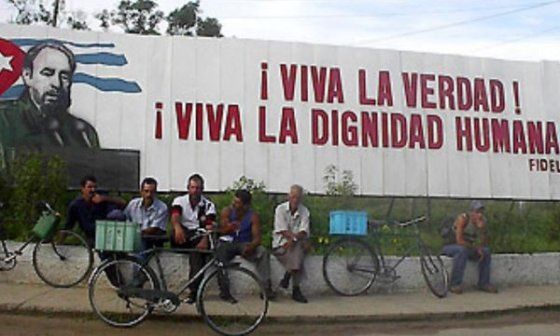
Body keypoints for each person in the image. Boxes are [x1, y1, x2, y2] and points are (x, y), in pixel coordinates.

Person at [0, 42, 99, 154]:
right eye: (47, 73)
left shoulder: (83, 132)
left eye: (64, 76)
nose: (56, 83)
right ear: (27, 76)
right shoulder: (4, 120)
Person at [216, 189, 276, 300]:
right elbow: (221, 230)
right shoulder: (227, 211)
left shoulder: (253, 216)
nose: (234, 204)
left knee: (262, 252)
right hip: (228, 243)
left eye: (237, 203)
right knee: (220, 257)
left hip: (244, 244)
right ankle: (224, 291)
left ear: (245, 205)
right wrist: (229, 227)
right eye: (234, 201)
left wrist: (251, 246)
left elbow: (257, 238)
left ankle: (266, 288)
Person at [170, 173, 216, 304]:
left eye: (198, 188)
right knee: (180, 235)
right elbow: (175, 216)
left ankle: (193, 292)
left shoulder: (208, 205)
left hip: (198, 237)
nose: (195, 191)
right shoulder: (179, 201)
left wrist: (205, 240)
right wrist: (178, 227)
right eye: (192, 187)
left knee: (198, 253)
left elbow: (208, 225)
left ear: (202, 189)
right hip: (181, 236)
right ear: (188, 188)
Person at [442, 200, 497, 294]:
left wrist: (481, 230)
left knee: (486, 251)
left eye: (481, 212)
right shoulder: (463, 218)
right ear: (471, 212)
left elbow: (483, 242)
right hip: (451, 246)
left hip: (468, 248)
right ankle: (455, 284)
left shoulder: (482, 221)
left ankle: (484, 283)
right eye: (477, 212)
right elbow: (459, 240)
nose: (479, 215)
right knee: (461, 250)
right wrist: (475, 248)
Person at [272, 184, 310, 303]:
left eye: (298, 197)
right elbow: (282, 230)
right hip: (281, 246)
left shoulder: (304, 211)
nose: (295, 200)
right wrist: (294, 239)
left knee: (297, 249)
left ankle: (286, 279)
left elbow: (304, 231)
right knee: (298, 251)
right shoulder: (280, 209)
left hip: (294, 245)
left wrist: (293, 240)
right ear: (288, 197)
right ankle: (295, 290)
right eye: (293, 197)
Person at [64, 175, 126, 247]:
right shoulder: (76, 205)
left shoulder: (102, 199)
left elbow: (123, 204)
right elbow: (68, 225)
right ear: (83, 189)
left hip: (107, 235)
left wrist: (104, 199)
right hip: (90, 237)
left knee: (117, 214)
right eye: (89, 187)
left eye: (94, 187)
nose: (93, 190)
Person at [123, 177, 168, 256]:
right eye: (146, 191)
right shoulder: (133, 204)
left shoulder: (162, 207)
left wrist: (135, 233)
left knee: (141, 243)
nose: (149, 195)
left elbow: (154, 229)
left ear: (155, 193)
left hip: (151, 239)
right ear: (141, 191)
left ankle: (138, 267)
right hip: (133, 238)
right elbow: (125, 219)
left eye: (152, 192)